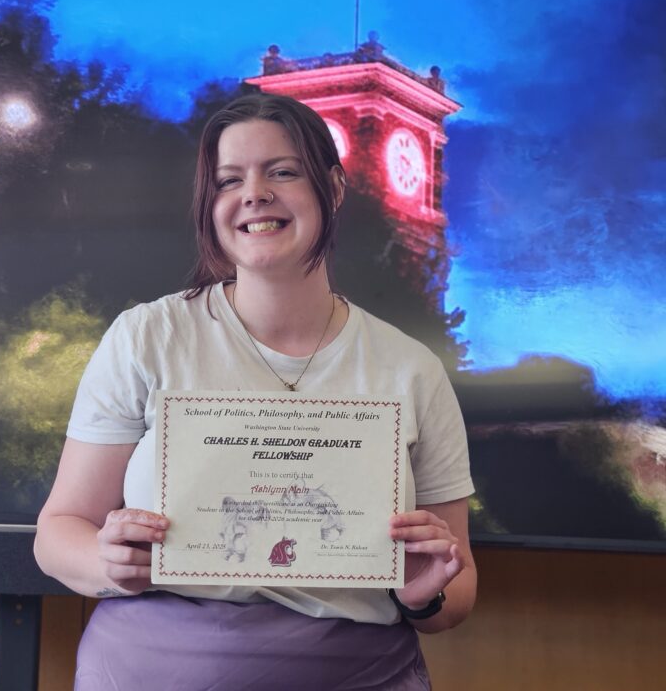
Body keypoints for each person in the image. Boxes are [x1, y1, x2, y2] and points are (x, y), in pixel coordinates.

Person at [34, 93, 477, 690]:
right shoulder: (146, 337)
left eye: (283, 172)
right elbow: (59, 531)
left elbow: (458, 586)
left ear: (334, 188)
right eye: (229, 180)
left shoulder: (412, 370)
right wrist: (106, 562)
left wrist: (425, 594)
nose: (255, 194)